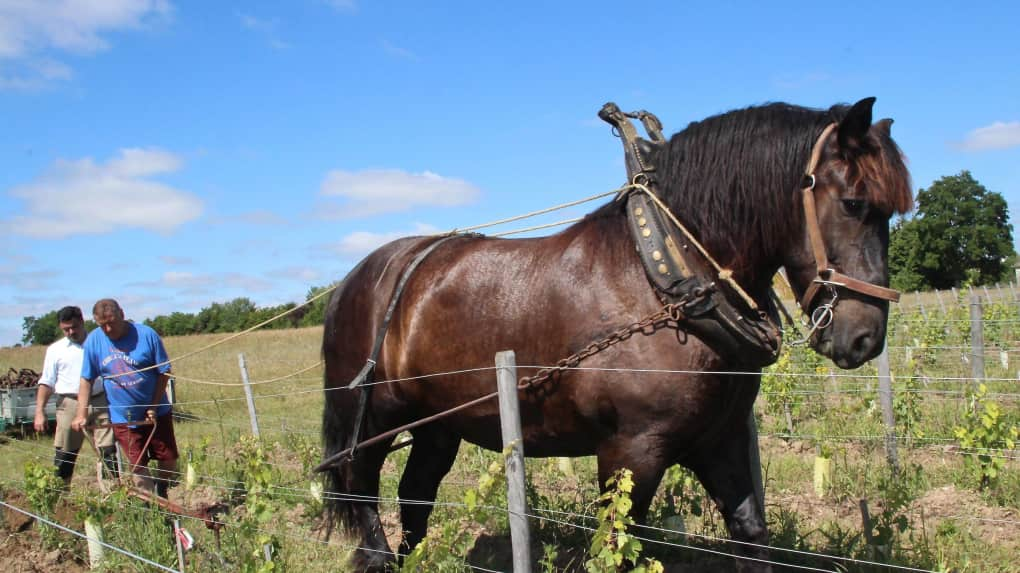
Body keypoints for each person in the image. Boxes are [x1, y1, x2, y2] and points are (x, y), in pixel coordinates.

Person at [72, 299, 178, 498]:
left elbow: (164, 373)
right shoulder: (94, 341)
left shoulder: (146, 335)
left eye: (111, 322)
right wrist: (81, 414)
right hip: (123, 416)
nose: (108, 329)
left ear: (122, 313)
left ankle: (165, 491)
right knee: (137, 464)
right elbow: (86, 379)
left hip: (156, 410)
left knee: (168, 457)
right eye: (102, 325)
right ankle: (150, 506)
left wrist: (153, 405)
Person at [34, 306, 117, 487]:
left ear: (82, 321)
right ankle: (60, 495)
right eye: (66, 329)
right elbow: (46, 382)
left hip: (100, 400)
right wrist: (39, 411)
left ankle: (112, 494)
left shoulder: (101, 341)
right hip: (70, 403)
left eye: (74, 327)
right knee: (65, 453)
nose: (71, 332)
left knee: (108, 451)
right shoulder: (56, 350)